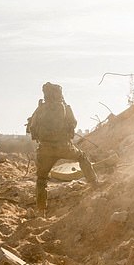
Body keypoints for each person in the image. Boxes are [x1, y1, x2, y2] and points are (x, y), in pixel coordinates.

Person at [26, 82, 98, 216]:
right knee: (82, 157)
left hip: (45, 149)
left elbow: (31, 129)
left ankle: (41, 211)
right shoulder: (64, 107)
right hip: (64, 146)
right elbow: (73, 123)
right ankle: (94, 184)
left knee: (41, 179)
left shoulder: (40, 109)